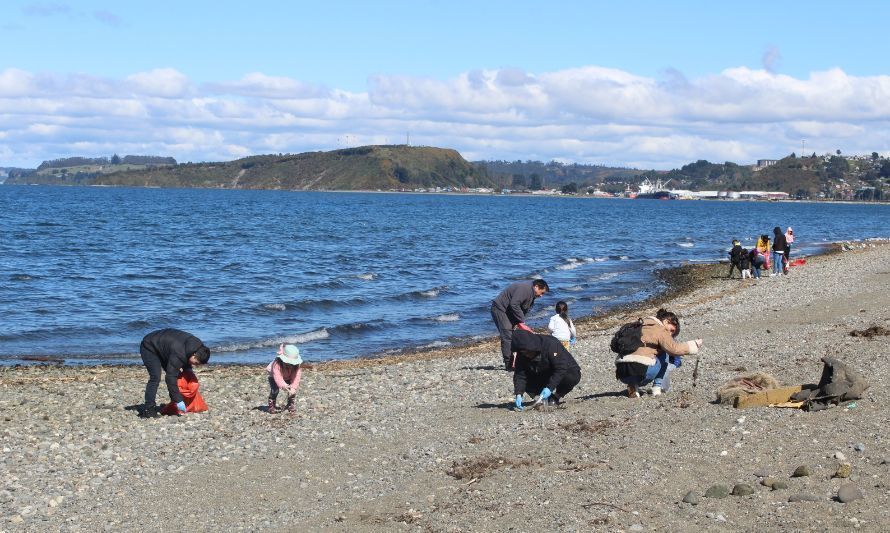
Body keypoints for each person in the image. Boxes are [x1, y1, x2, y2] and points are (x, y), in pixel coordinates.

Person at [614, 309, 702, 398]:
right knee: (665, 353)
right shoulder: (660, 329)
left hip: (621, 373)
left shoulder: (637, 325)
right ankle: (657, 388)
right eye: (671, 330)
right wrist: (694, 344)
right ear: (666, 321)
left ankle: (633, 386)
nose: (670, 334)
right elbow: (674, 350)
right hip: (642, 372)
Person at [139, 328, 211, 418]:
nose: (195, 365)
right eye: (195, 363)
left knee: (178, 376)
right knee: (155, 377)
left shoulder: (198, 347)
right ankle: (148, 410)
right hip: (149, 346)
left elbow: (186, 357)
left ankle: (175, 403)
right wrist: (178, 401)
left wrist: (188, 369)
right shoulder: (179, 354)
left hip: (166, 347)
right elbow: (170, 378)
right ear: (194, 355)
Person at [510, 329, 581, 410]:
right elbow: (520, 375)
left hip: (560, 370)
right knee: (526, 381)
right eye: (523, 352)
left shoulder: (551, 344)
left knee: (572, 376)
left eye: (527, 352)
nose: (526, 355)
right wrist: (519, 393)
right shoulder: (521, 353)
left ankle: (557, 396)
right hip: (541, 374)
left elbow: (561, 368)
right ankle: (540, 398)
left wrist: (549, 388)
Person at [491, 279, 549, 370]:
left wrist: (518, 322)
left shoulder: (532, 294)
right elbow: (514, 304)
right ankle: (509, 364)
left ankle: (517, 361)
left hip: (510, 312)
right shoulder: (524, 289)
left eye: (543, 294)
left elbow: (523, 308)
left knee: (516, 335)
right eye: (541, 293)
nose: (541, 296)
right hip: (500, 309)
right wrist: (521, 321)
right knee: (507, 336)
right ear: (536, 287)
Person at [267, 344, 303, 414]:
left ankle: (290, 404)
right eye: (288, 363)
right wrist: (283, 385)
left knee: (292, 391)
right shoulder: (276, 364)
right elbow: (277, 376)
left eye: (292, 363)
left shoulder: (296, 365)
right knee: (275, 390)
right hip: (274, 376)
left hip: (288, 375)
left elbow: (296, 377)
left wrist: (293, 387)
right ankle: (272, 406)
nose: (290, 364)